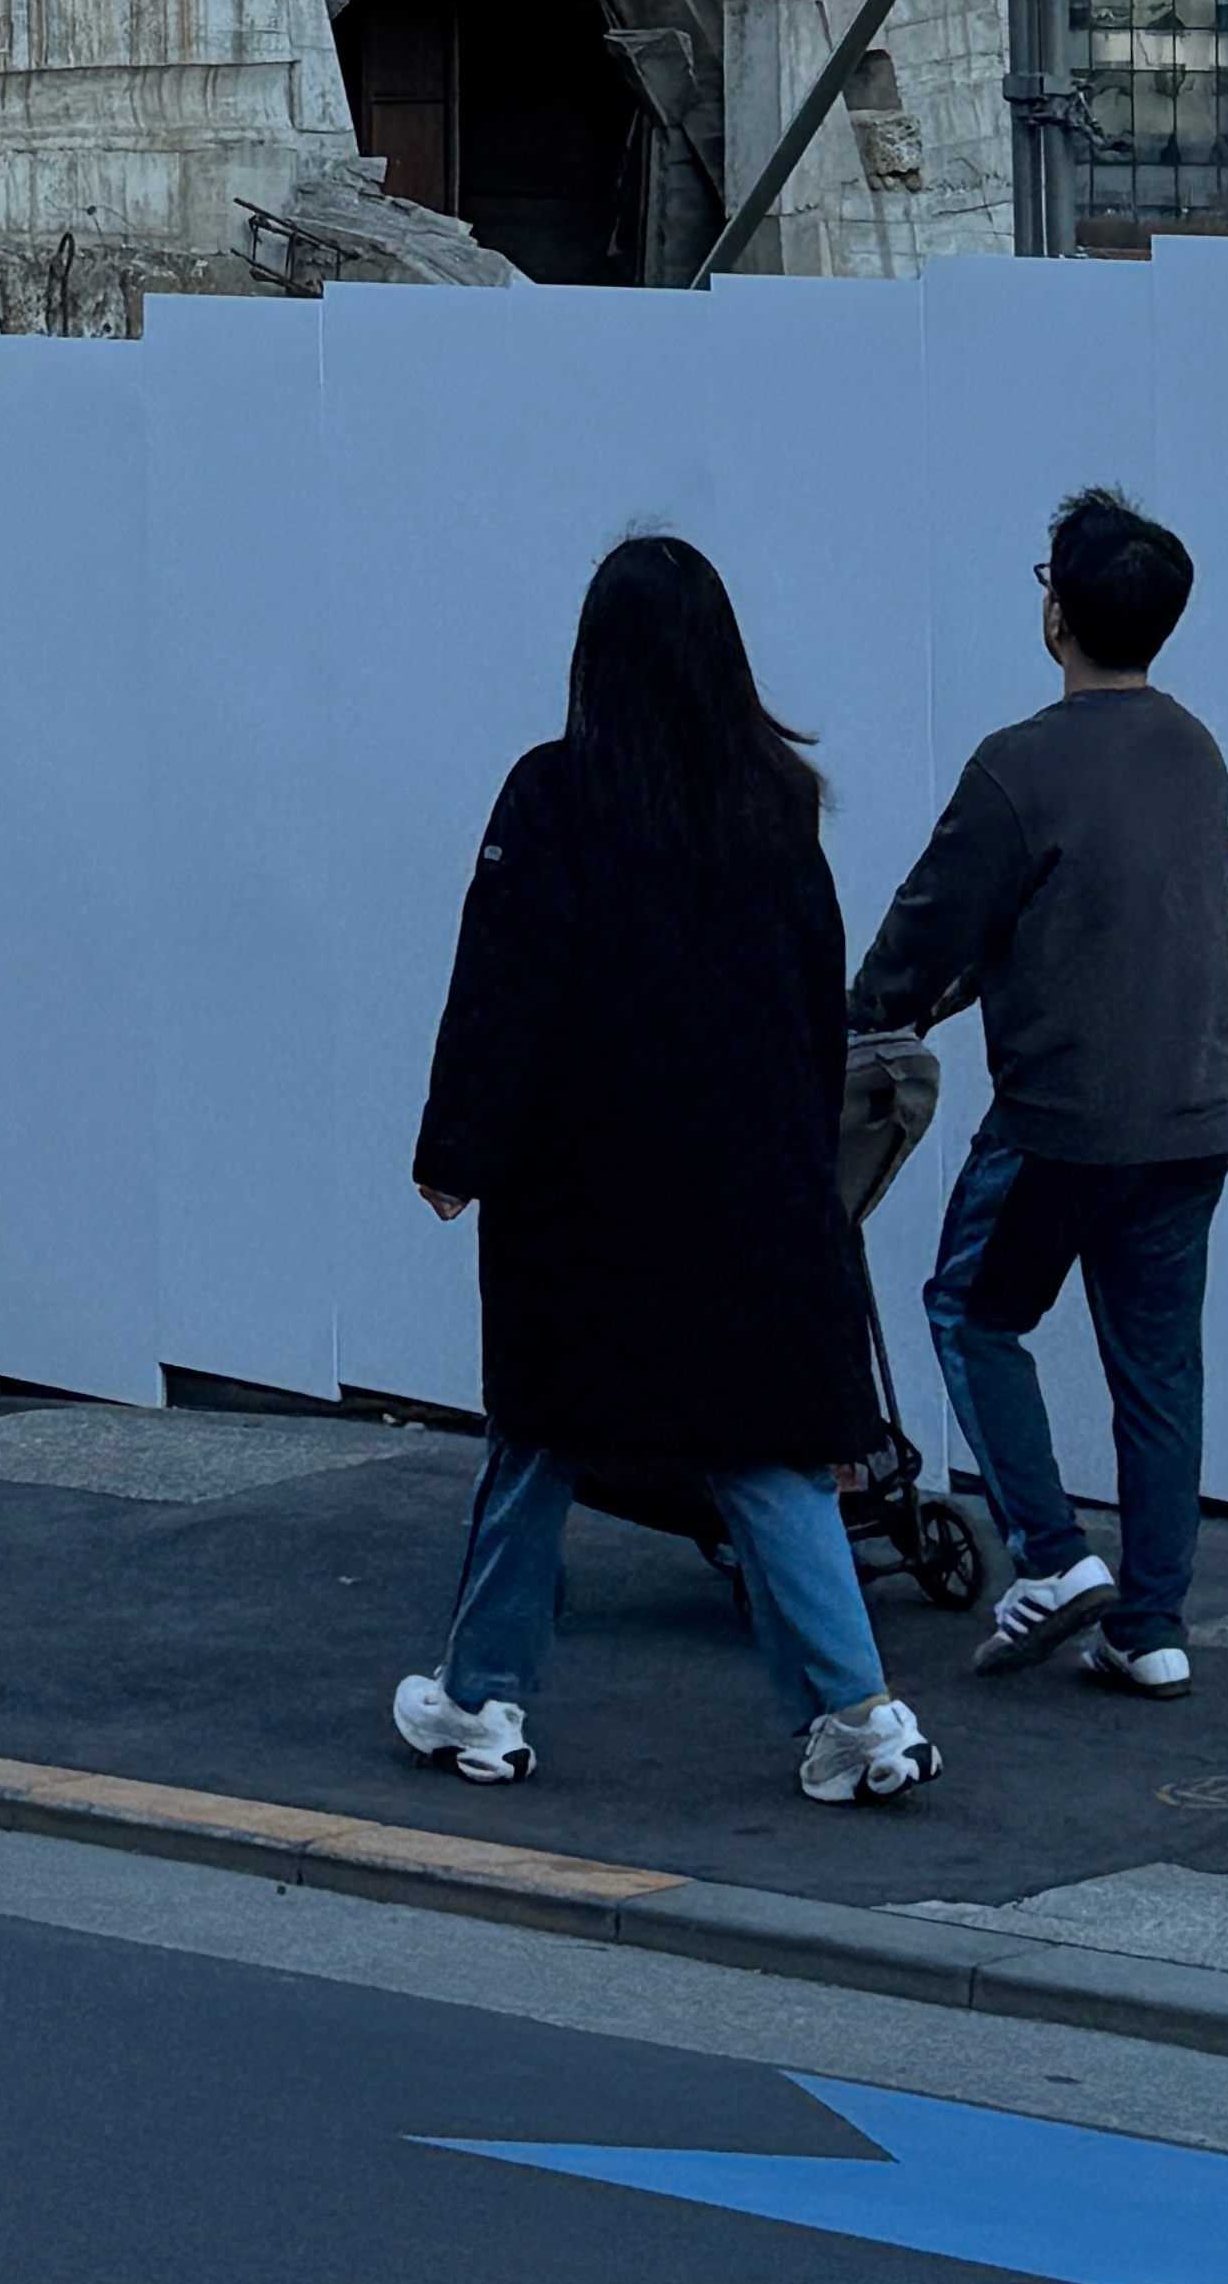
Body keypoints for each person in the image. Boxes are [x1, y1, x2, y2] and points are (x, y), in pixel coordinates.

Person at [399, 534, 940, 1810]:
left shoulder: (553, 796)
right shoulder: (776, 805)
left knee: (541, 1439)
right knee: (766, 1449)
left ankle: (483, 1699)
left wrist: (456, 1151)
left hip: (583, 1192)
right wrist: (808, 1171)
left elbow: (502, 990)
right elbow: (811, 1009)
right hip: (748, 1191)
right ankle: (862, 1714)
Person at [849, 485, 1228, 1696]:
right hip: (1193, 1115)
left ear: (1057, 613)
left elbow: (928, 926)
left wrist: (864, 1013)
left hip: (1065, 1121)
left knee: (970, 1314)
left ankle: (1055, 1558)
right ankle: (1153, 1627)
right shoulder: (1195, 751)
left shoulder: (1018, 767)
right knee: (1160, 1372)